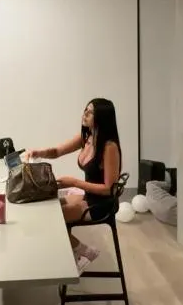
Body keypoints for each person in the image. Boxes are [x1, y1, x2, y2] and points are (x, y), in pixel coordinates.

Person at [26, 98, 122, 273]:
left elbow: (110, 189)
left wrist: (74, 182)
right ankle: (76, 253)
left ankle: (82, 253)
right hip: (89, 196)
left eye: (90, 112)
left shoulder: (109, 147)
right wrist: (38, 152)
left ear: (102, 117)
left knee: (50, 219)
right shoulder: (87, 137)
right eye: (85, 110)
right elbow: (57, 151)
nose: (84, 114)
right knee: (48, 207)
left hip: (101, 204)